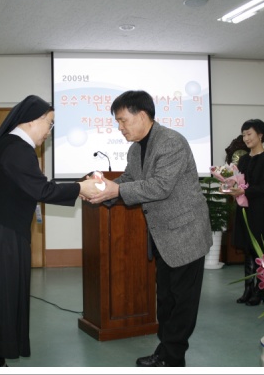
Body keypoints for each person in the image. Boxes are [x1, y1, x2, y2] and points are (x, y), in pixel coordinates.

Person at [0, 95, 102, 367]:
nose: (50, 131)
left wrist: (78, 187)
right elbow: (41, 189)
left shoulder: (12, 145)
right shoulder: (17, 148)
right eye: (50, 123)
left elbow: (33, 187)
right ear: (34, 119)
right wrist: (81, 188)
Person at [88, 90, 212, 367]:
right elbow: (130, 179)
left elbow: (160, 186)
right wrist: (101, 190)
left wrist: (115, 190)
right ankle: (165, 352)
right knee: (166, 300)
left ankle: (172, 358)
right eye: (117, 122)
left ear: (142, 115)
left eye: (123, 120)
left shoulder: (171, 142)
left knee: (182, 303)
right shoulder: (136, 149)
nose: (120, 128)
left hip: (186, 234)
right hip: (163, 236)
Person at [226, 119, 264, 306]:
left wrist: (243, 191)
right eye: (244, 135)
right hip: (243, 207)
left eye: (249, 134)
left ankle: (259, 290)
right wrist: (232, 187)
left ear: (260, 135)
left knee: (258, 249)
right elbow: (240, 181)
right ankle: (248, 288)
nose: (246, 138)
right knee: (247, 249)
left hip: (258, 208)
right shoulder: (244, 159)